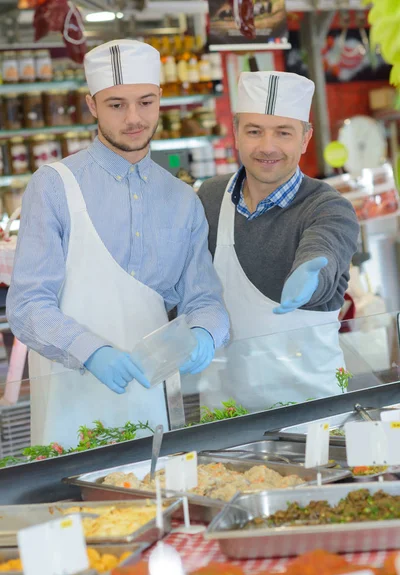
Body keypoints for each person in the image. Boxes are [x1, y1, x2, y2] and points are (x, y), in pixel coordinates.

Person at [6, 39, 229, 447]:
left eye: (145, 102)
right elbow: (27, 306)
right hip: (69, 403)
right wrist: (91, 351)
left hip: (154, 404)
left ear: (161, 99)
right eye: (116, 105)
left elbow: (204, 298)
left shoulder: (182, 199)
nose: (133, 118)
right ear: (92, 105)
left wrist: (206, 333)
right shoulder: (54, 185)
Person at [197, 70, 359, 412]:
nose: (267, 147)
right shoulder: (210, 198)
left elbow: (323, 249)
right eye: (254, 131)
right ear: (236, 131)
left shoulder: (329, 207)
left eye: (283, 133)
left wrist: (311, 278)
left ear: (304, 138)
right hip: (225, 419)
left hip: (312, 419)